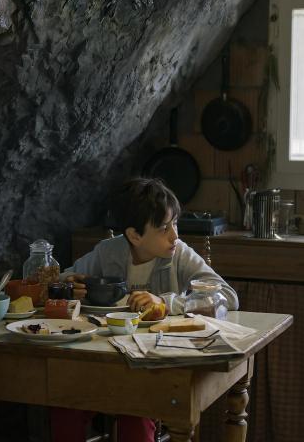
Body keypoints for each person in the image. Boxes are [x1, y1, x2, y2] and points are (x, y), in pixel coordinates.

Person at [50, 176, 238, 442]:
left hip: (156, 368)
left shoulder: (179, 254)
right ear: (134, 235)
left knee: (136, 414)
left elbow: (228, 296)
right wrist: (69, 285)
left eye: (175, 223)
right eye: (163, 228)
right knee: (64, 410)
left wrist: (166, 302)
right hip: (106, 363)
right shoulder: (108, 251)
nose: (175, 235)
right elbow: (63, 277)